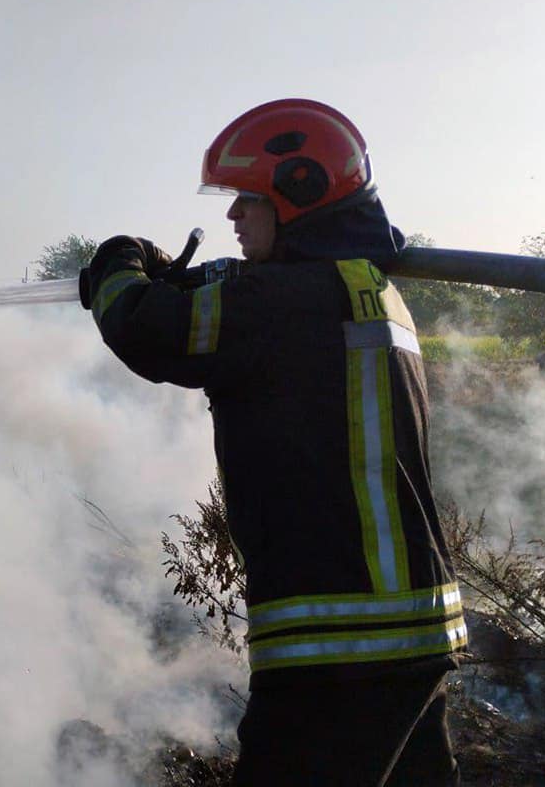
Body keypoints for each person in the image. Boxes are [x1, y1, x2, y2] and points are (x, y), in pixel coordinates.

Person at [85, 99, 467, 786]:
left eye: (247, 199)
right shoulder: (363, 290)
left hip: (340, 643)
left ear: (299, 194)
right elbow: (236, 306)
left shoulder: (280, 303)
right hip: (411, 632)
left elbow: (142, 326)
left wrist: (119, 260)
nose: (232, 217)